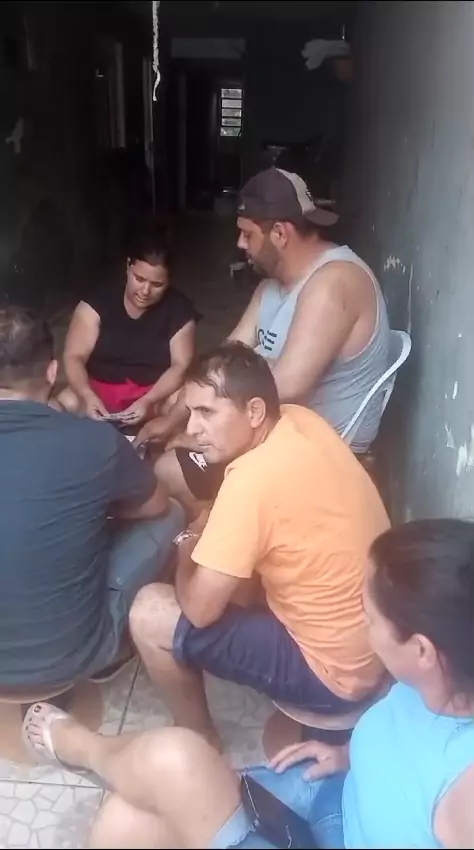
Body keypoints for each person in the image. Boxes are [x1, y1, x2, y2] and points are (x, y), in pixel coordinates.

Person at [23, 519, 474, 849]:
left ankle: (84, 750)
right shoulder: (435, 677)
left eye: (370, 618)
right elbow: (410, 745)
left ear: (421, 650)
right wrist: (348, 755)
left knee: (175, 762)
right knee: (127, 822)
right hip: (336, 796)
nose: (361, 622)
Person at [128, 343, 389, 747]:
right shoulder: (300, 420)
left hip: (335, 676)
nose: (192, 428)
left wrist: (186, 543)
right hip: (377, 639)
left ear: (253, 411)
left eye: (207, 412)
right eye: (191, 411)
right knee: (233, 557)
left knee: (149, 610)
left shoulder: (252, 481)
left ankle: (199, 739)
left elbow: (199, 612)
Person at [137, 167, 390, 509]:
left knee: (168, 470)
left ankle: (226, 523)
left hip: (315, 448)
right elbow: (226, 356)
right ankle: (220, 515)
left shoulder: (333, 284)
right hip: (273, 427)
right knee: (173, 409)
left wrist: (198, 433)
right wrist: (176, 415)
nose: (240, 244)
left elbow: (285, 386)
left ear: (280, 233)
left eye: (247, 234)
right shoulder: (273, 285)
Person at [0, 307, 184, 688]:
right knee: (173, 514)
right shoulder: (94, 441)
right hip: (71, 656)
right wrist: (89, 505)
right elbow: (156, 504)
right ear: (52, 371)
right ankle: (112, 648)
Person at [58, 229, 199, 427]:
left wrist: (148, 400)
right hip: (97, 392)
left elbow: (180, 366)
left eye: (157, 284)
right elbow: (74, 356)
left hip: (155, 395)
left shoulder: (179, 310)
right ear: (127, 266)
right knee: (65, 402)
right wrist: (87, 395)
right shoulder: (97, 302)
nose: (145, 291)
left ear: (169, 281)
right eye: (139, 279)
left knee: (183, 404)